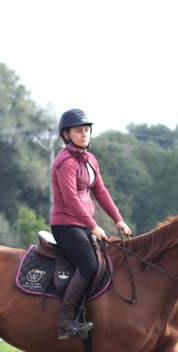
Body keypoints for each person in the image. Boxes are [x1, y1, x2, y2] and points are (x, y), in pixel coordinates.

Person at [50, 108, 132, 339]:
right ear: (66, 134)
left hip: (84, 225)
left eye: (87, 130)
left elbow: (101, 191)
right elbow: (71, 200)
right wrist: (93, 225)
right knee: (89, 265)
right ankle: (66, 321)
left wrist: (118, 220)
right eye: (79, 130)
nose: (84, 134)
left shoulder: (89, 160)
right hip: (66, 225)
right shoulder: (65, 162)